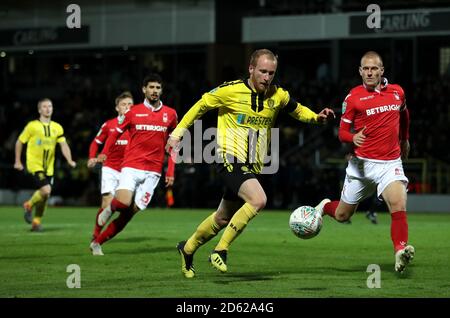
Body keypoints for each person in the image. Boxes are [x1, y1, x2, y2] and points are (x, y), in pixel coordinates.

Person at [166, 48, 335, 278]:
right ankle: (220, 250)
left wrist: (316, 117)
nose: (267, 77)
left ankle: (186, 249)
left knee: (223, 217)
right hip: (227, 156)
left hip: (252, 165)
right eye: (263, 71)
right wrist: (177, 134)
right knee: (258, 199)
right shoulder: (230, 90)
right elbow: (200, 106)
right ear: (251, 69)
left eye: (271, 73)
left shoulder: (278, 95)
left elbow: (297, 110)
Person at [314, 51, 414, 273]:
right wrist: (353, 137)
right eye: (365, 69)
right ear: (360, 71)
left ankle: (400, 249)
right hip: (361, 166)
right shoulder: (353, 98)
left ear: (381, 71)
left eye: (374, 69)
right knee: (342, 215)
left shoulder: (397, 92)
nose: (369, 73)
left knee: (398, 203)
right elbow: (341, 132)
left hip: (390, 163)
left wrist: (405, 139)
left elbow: (405, 116)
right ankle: (324, 205)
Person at [89, 74, 177, 255]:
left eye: (158, 88)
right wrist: (104, 153)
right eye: (151, 87)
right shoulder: (133, 112)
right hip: (131, 166)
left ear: (162, 90)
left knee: (130, 213)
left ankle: (97, 242)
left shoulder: (171, 114)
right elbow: (114, 134)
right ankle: (111, 208)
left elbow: (174, 145)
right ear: (144, 90)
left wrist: (171, 171)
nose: (154, 91)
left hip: (153, 171)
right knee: (123, 202)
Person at [14, 98, 77, 231]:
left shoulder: (57, 127)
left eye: (50, 106)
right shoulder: (32, 126)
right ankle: (29, 204)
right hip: (35, 164)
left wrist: (70, 160)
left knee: (45, 195)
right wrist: (18, 161)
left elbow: (64, 145)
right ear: (39, 110)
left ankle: (36, 222)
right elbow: (19, 142)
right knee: (46, 189)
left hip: (49, 167)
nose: (48, 109)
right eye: (44, 106)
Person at [87, 92, 134, 240]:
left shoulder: (137, 126)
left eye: (130, 105)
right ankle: (95, 235)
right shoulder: (109, 125)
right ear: (117, 108)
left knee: (125, 206)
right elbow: (96, 142)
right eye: (124, 104)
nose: (127, 107)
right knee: (107, 201)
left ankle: (106, 228)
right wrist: (92, 157)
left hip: (128, 170)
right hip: (110, 168)